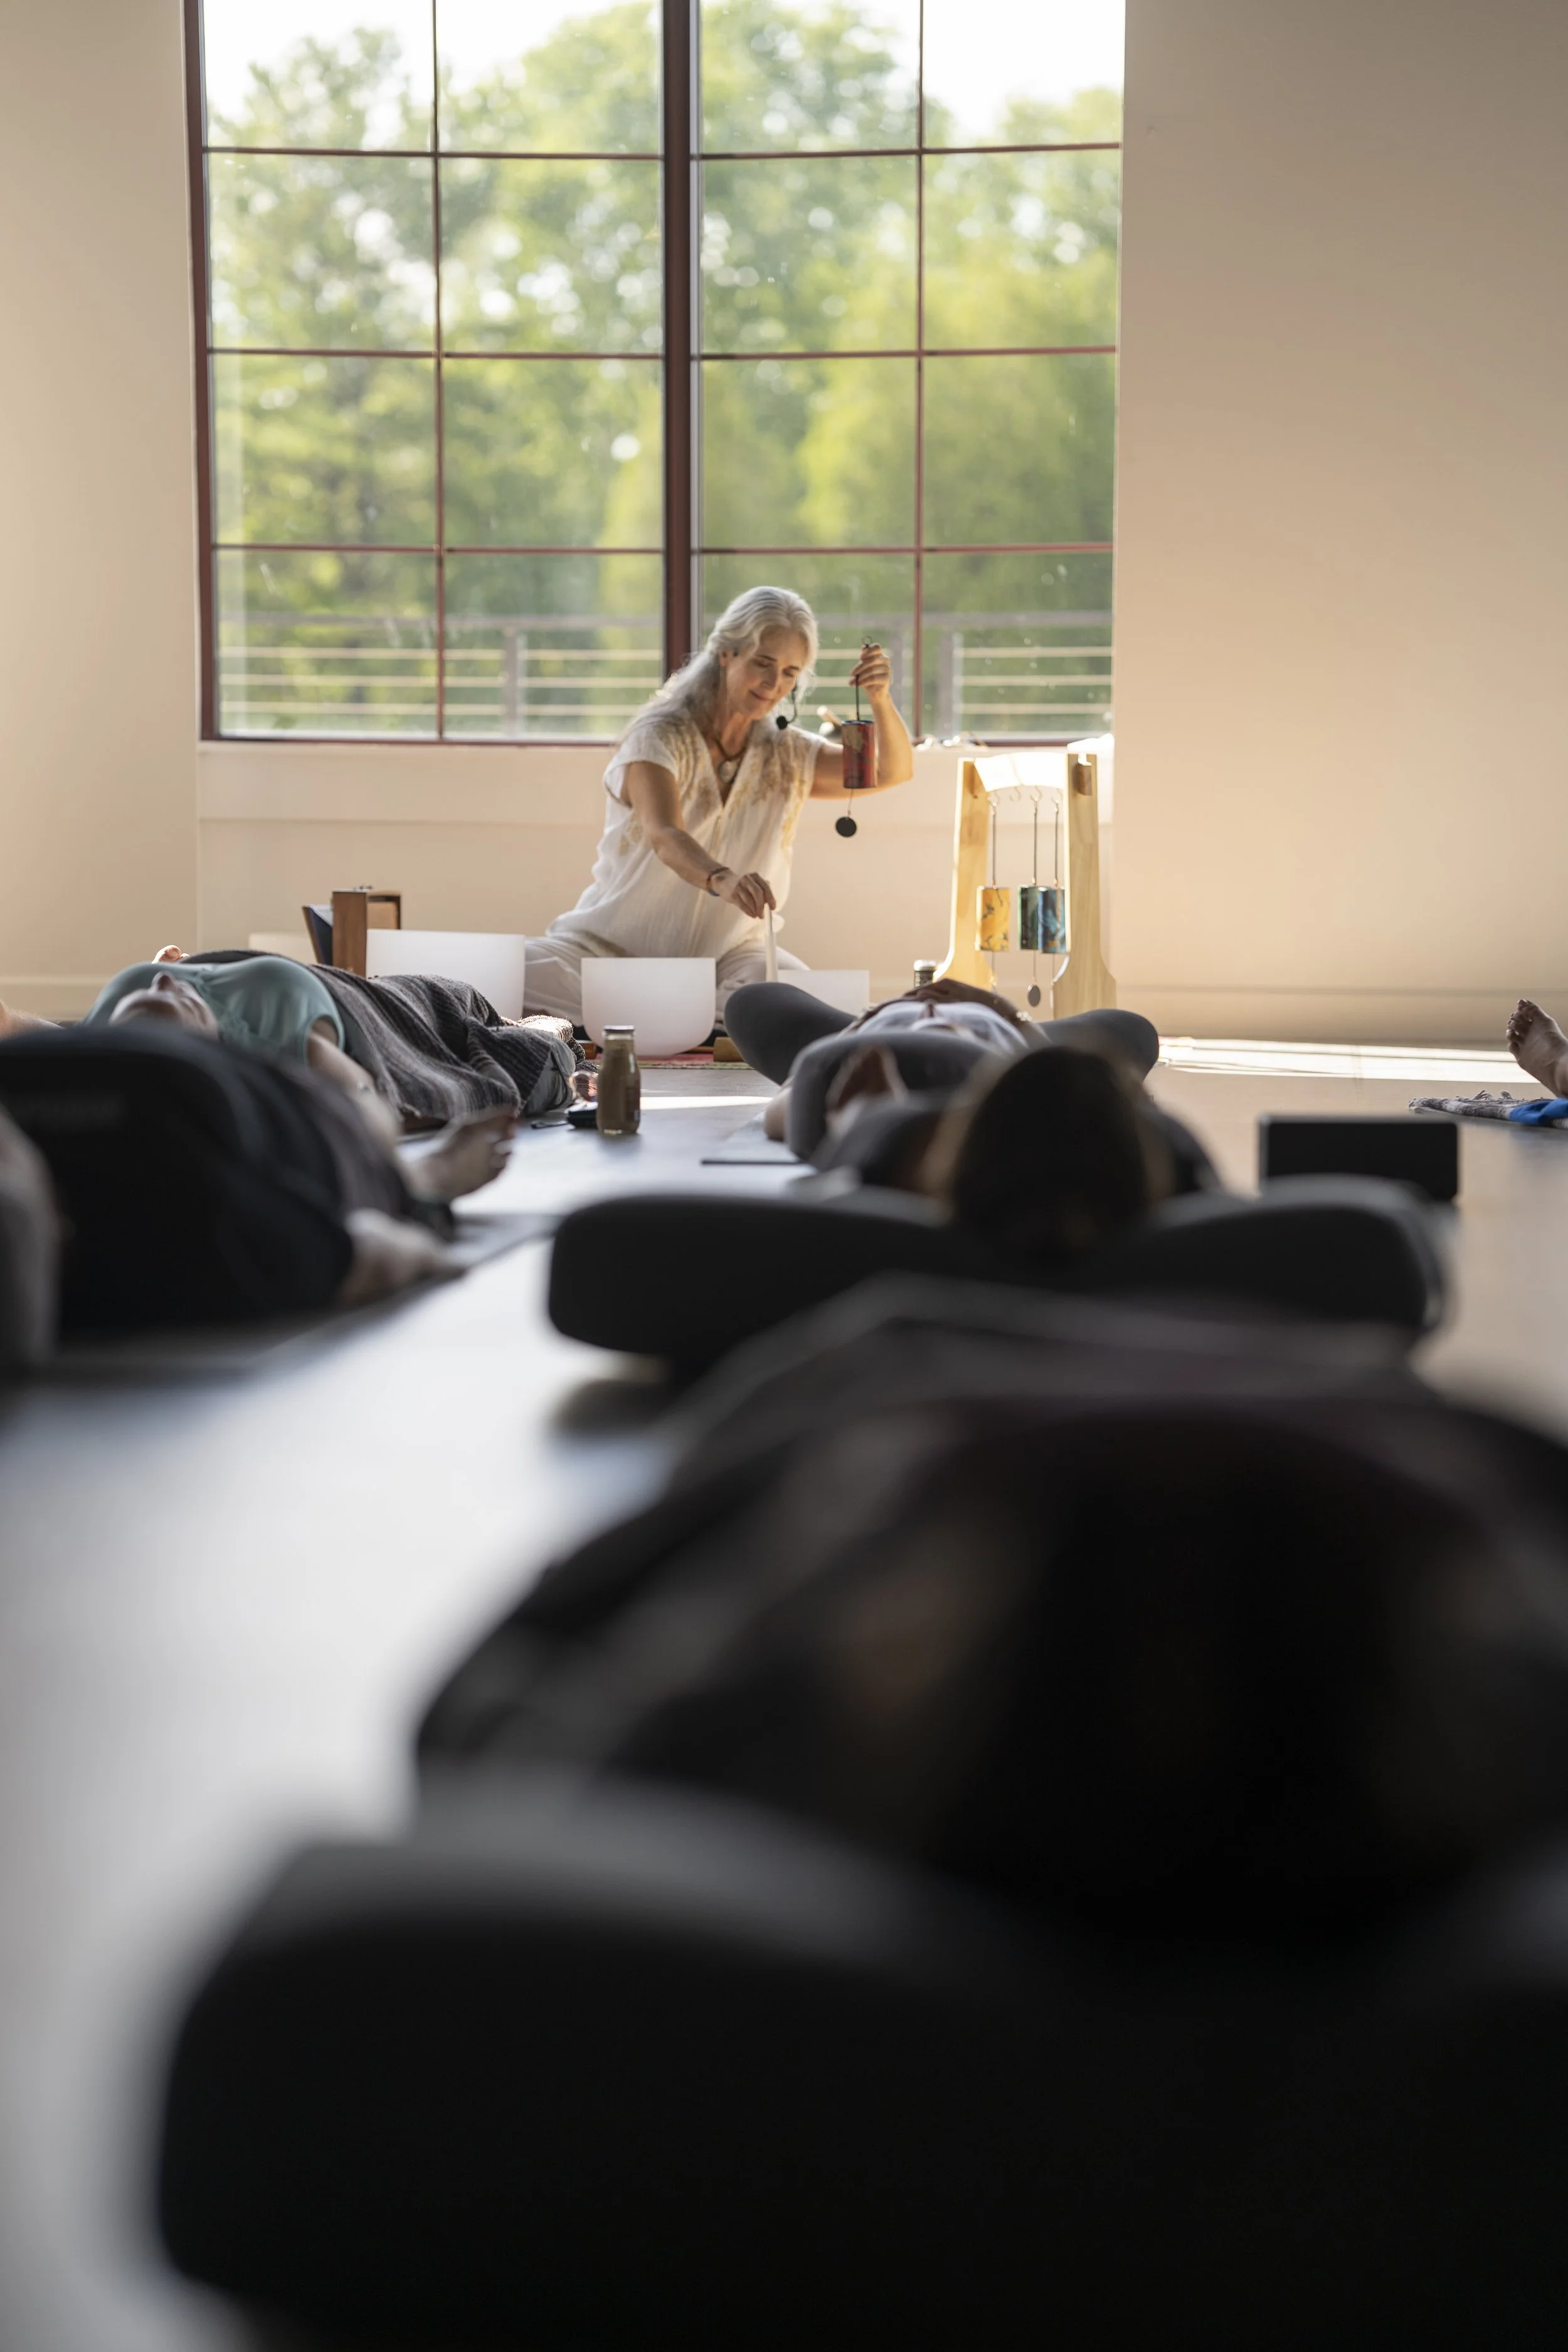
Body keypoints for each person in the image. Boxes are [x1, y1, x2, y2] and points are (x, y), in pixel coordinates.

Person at [521, 585, 914, 1022]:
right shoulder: (659, 735)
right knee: (512, 975)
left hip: (730, 959)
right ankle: (698, 1021)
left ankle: (678, 1018)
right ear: (727, 652)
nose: (774, 684)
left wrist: (879, 699)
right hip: (609, 953)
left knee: (792, 991)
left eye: (790, 673)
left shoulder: (788, 753)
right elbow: (665, 835)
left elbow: (892, 772)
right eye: (762, 663)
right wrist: (722, 879)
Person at [726, 971, 1217, 1197]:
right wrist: (1002, 1012)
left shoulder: (853, 1078)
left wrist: (862, 1032)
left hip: (877, 1032)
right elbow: (1074, 1075)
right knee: (1129, 1028)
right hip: (1006, 1039)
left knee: (752, 1002)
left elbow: (792, 1096)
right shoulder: (1026, 1084)